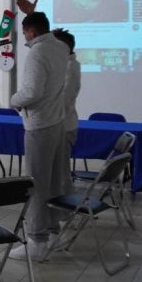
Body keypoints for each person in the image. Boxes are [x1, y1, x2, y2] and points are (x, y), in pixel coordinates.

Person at [7, 9, 70, 261]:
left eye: (24, 33)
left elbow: (31, 92)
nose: (25, 37)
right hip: (57, 121)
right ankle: (53, 230)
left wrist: (14, 99)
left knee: (35, 183)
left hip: (39, 124)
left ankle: (37, 240)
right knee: (53, 180)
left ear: (31, 31)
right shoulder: (61, 47)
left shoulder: (37, 52)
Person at [53, 27, 81, 191]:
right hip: (58, 124)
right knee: (57, 170)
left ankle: (65, 209)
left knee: (61, 171)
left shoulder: (70, 67)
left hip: (63, 126)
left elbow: (64, 99)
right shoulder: (63, 65)